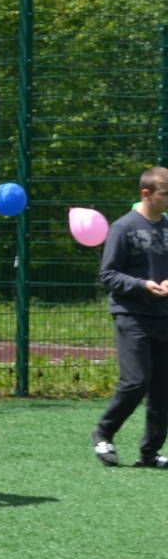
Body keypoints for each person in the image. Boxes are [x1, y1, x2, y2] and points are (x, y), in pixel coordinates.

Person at [93, 166, 168, 469]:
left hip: (164, 316)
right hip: (132, 314)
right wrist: (142, 285)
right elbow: (107, 274)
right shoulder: (123, 227)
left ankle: (149, 453)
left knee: (163, 388)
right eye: (165, 194)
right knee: (136, 381)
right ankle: (104, 433)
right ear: (146, 193)